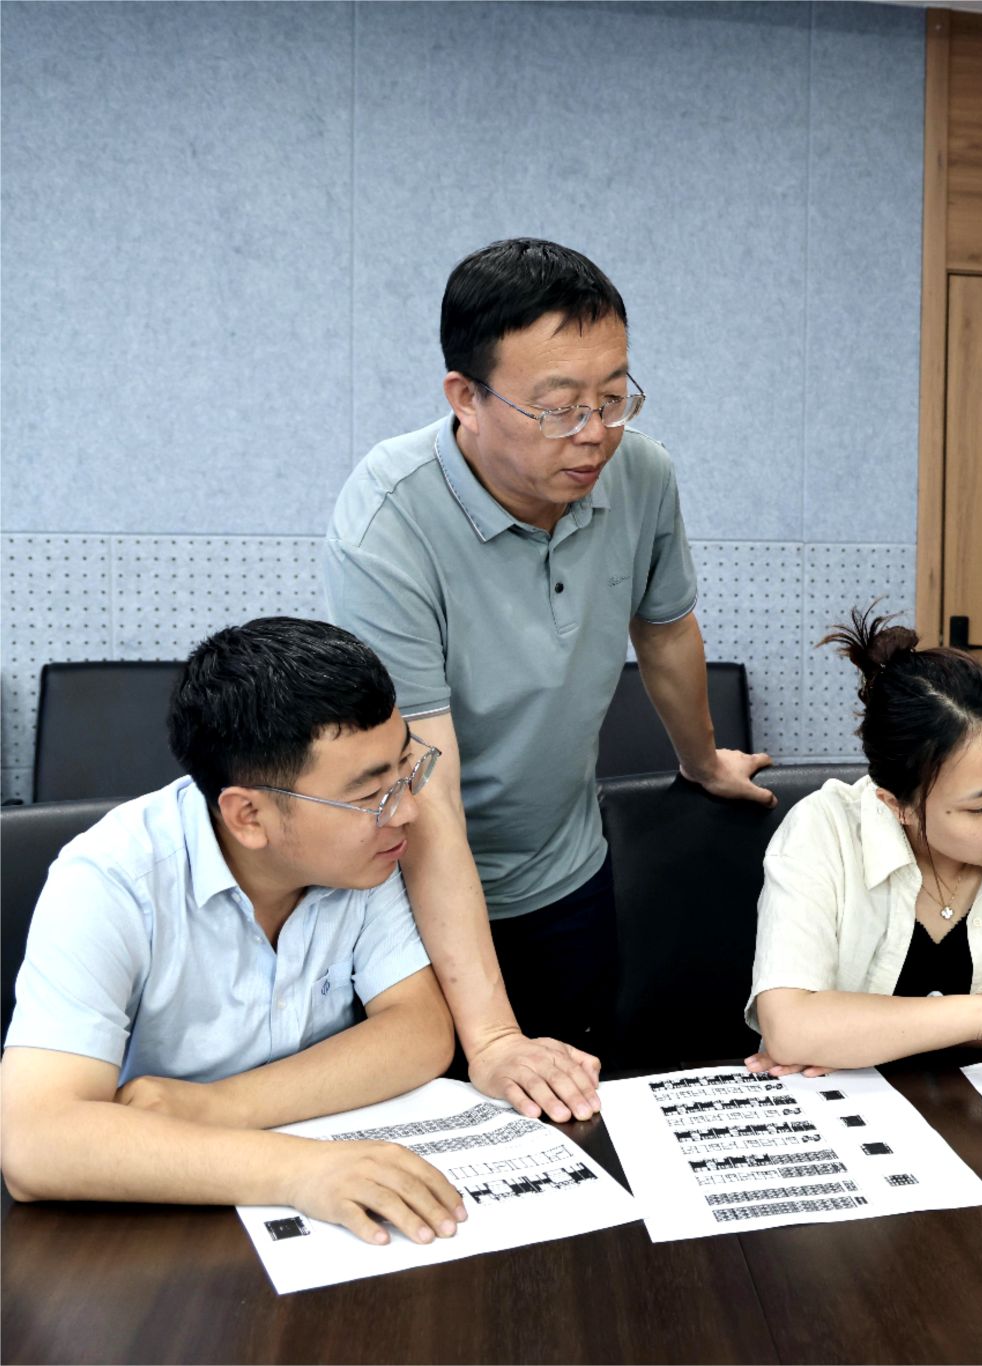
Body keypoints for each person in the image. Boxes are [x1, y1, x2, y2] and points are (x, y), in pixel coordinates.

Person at [324, 238, 775, 1124]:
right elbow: (424, 786)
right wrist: (493, 1036)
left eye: (613, 398)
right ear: (466, 397)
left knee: (578, 1119)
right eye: (561, 408)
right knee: (444, 1134)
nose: (595, 433)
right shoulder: (388, 522)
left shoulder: (639, 474)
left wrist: (702, 759)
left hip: (566, 874)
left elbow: (665, 629)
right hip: (411, 894)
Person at [0, 618, 466, 1247]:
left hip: (303, 1163)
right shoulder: (110, 880)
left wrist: (221, 1106)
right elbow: (35, 1141)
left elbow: (420, 1030)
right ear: (248, 815)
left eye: (407, 770)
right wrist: (300, 1172)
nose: (406, 809)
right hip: (154, 1221)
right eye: (370, 795)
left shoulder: (368, 853)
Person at [743, 605, 982, 1105]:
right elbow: (790, 1026)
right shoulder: (822, 830)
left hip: (978, 1112)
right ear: (899, 806)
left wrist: (858, 1035)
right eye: (978, 806)